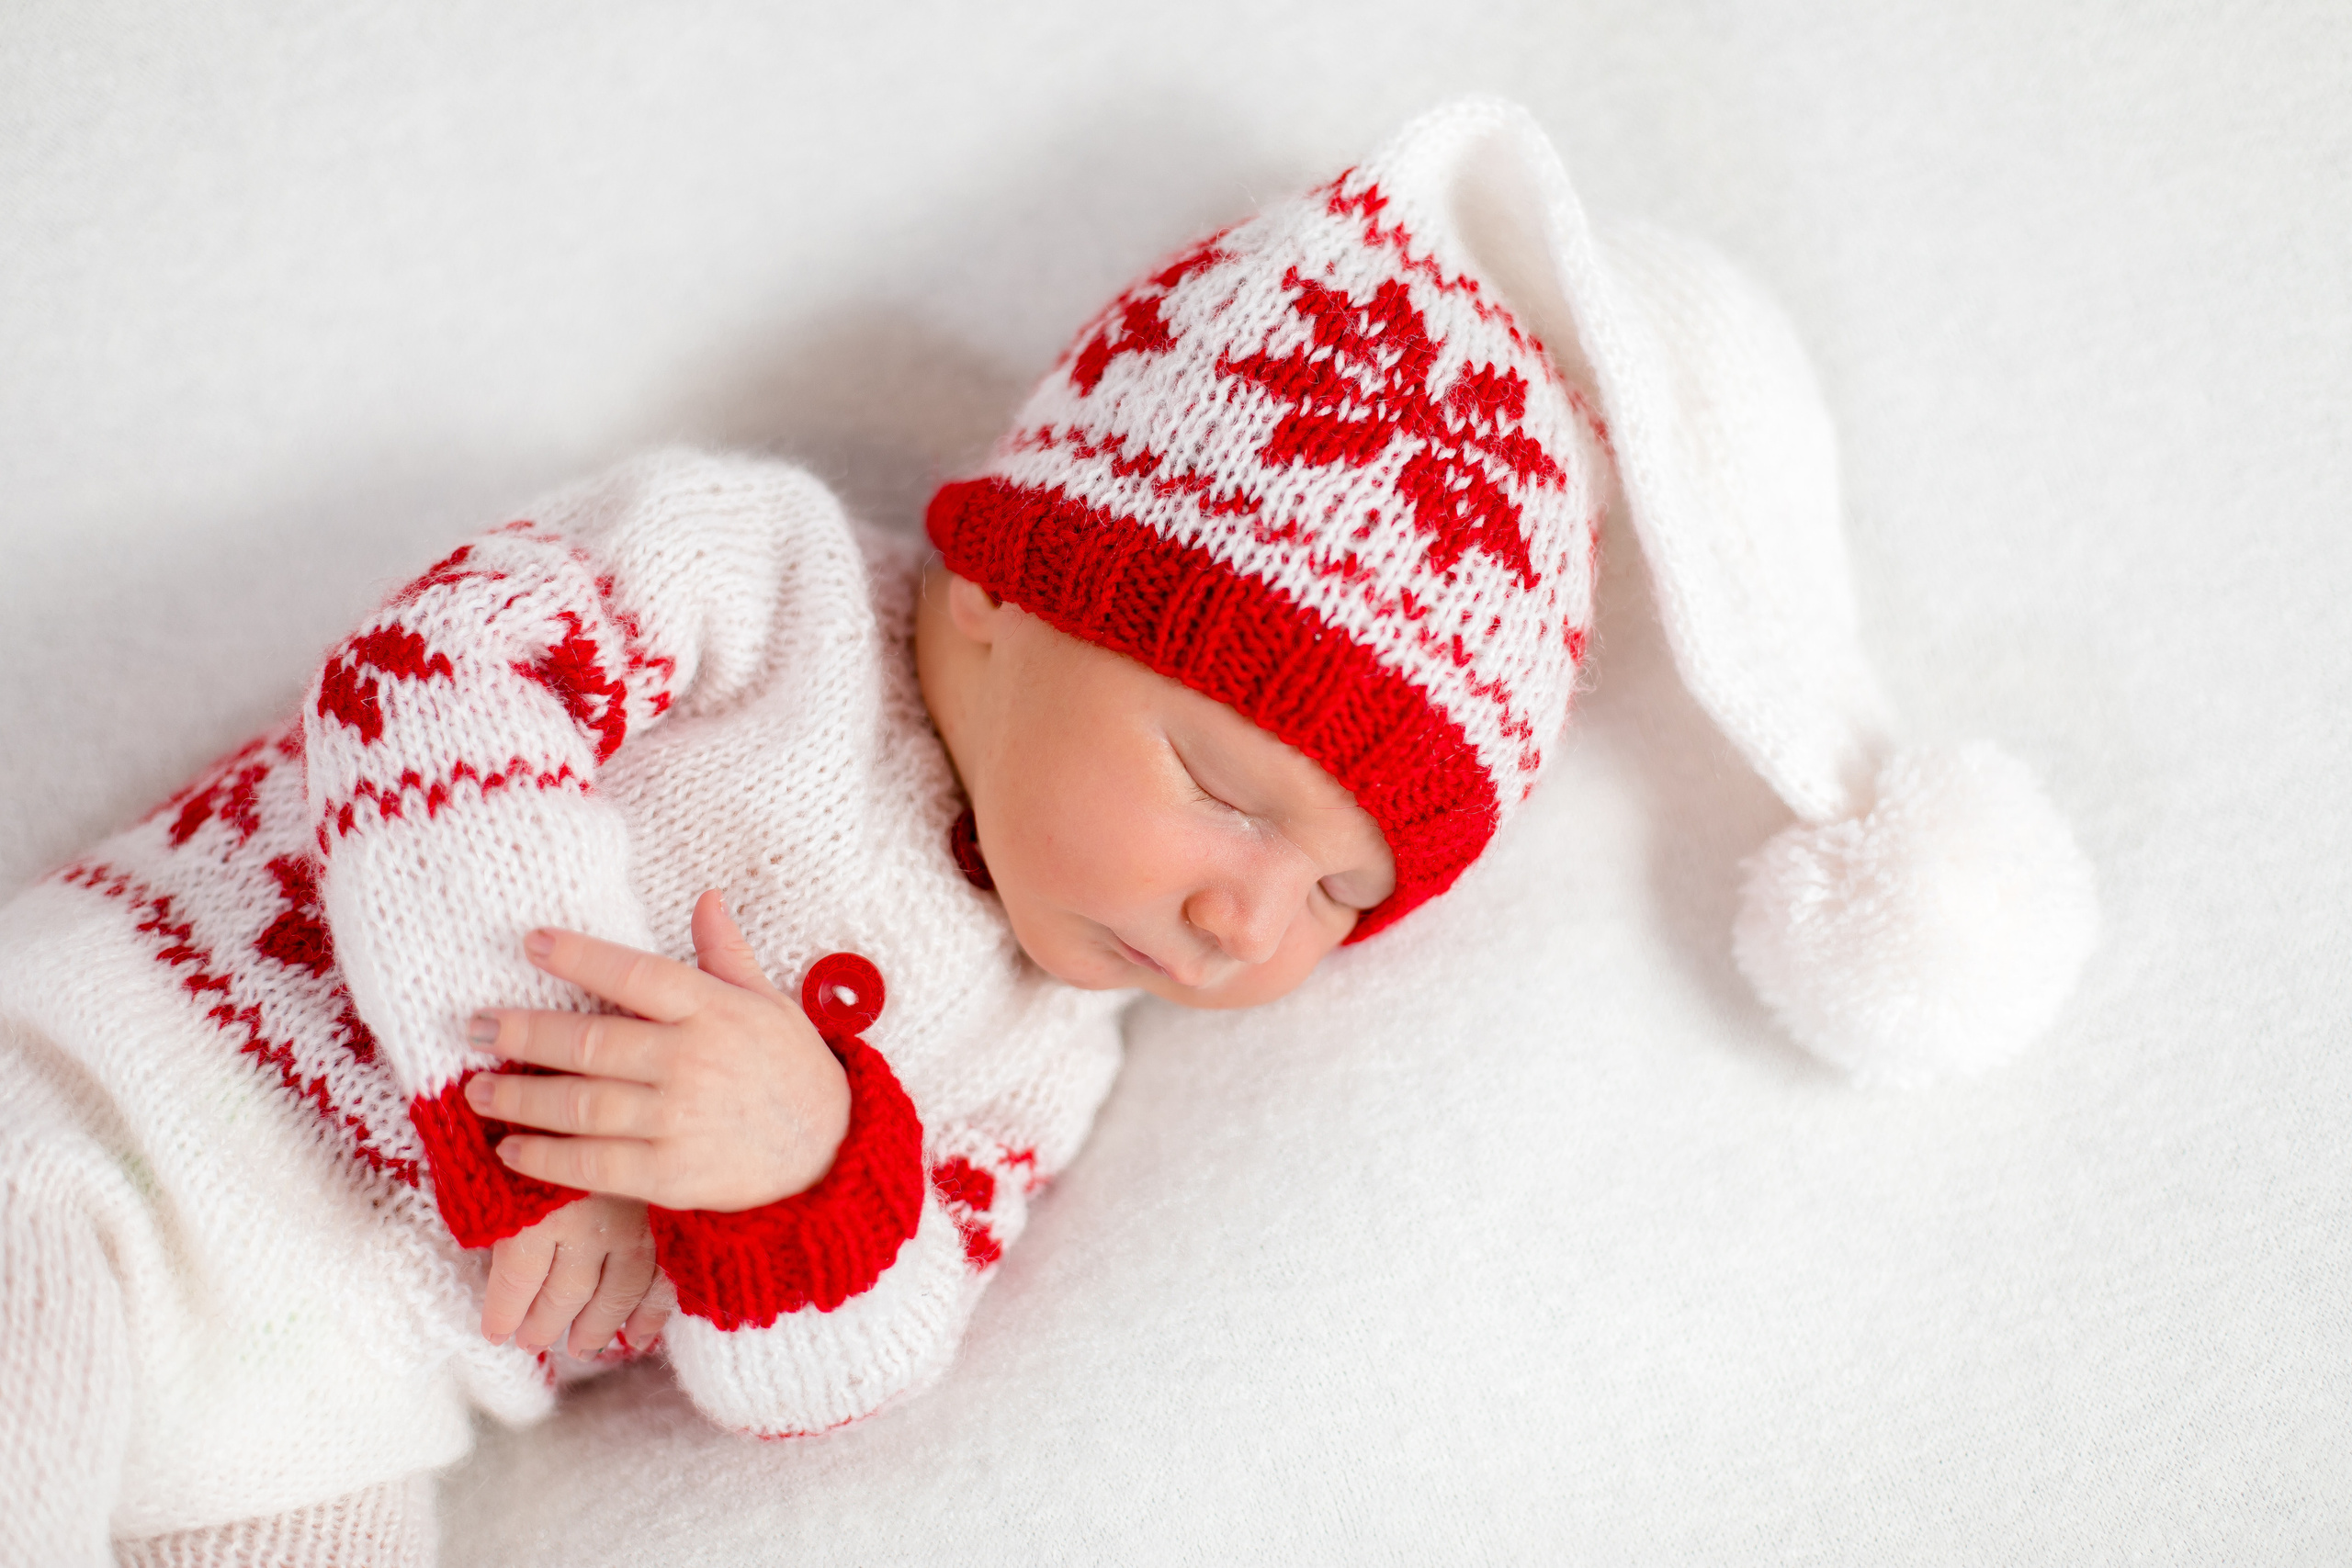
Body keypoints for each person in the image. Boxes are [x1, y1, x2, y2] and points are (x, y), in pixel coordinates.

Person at [0, 96, 2094, 1565]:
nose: (1248, 913)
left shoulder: (1033, 1062)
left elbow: (858, 1356)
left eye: (1341, 892)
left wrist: (803, 1171)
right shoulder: (760, 585)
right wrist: (516, 1116)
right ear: (1009, 591)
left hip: (337, 1414)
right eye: (1226, 791)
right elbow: (433, 688)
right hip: (113, 1120)